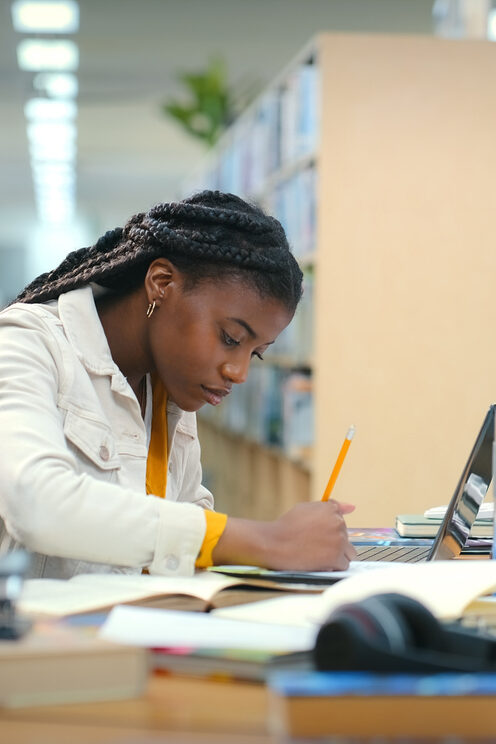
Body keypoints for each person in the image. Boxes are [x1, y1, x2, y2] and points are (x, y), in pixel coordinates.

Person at [0, 190, 356, 578]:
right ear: (162, 282)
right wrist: (268, 541)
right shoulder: (26, 342)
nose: (239, 372)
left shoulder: (172, 385)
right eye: (231, 339)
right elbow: (36, 501)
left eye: (255, 353)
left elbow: (187, 523)